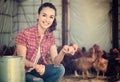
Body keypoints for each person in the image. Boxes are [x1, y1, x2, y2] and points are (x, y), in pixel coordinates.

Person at [15, 2, 77, 82]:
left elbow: (55, 62)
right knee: (39, 81)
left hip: (37, 72)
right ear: (38, 15)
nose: (47, 20)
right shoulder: (24, 33)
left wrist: (63, 51)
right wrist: (35, 66)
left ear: (53, 19)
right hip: (22, 72)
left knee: (60, 69)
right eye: (44, 15)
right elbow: (21, 60)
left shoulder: (50, 36)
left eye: (51, 17)